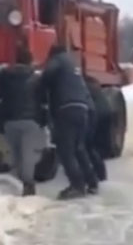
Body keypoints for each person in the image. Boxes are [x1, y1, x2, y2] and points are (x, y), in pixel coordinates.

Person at [37, 44, 99, 200]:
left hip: (67, 109)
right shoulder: (72, 64)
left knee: (66, 151)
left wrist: (40, 84)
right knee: (79, 148)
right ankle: (92, 182)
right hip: (82, 109)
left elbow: (47, 76)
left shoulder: (58, 60)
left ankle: (77, 186)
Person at [0, 48, 46, 196]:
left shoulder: (5, 75)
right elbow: (43, 98)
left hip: (10, 120)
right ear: (30, 61)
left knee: (16, 154)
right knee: (28, 154)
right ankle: (28, 185)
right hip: (30, 121)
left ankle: (16, 185)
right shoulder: (36, 78)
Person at [84, 75, 108, 182]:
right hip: (105, 114)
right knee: (97, 147)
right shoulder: (95, 86)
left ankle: (98, 175)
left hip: (96, 115)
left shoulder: (85, 87)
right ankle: (101, 174)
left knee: (89, 147)